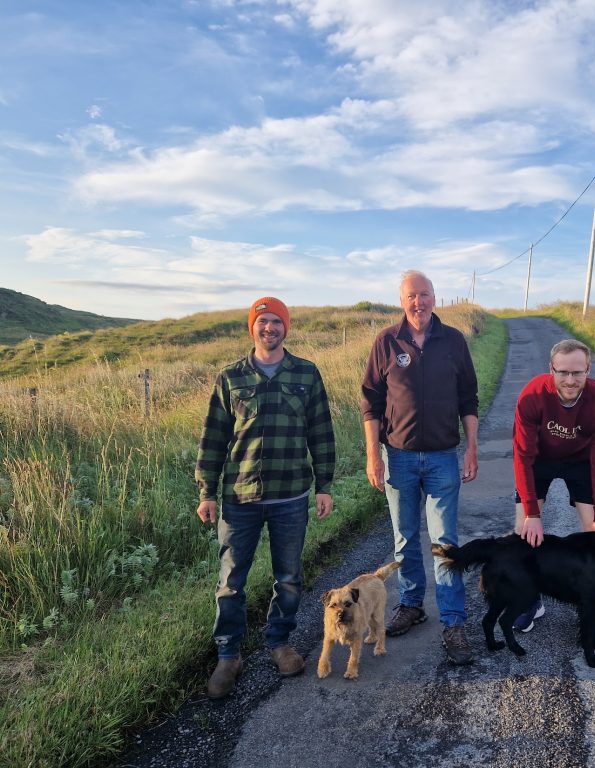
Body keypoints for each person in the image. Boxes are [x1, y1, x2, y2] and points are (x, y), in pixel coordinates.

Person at [196, 296, 336, 698]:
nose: (269, 328)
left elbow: (321, 433)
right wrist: (207, 492)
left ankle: (279, 643)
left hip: (290, 496)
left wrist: (324, 485)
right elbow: (213, 440)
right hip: (239, 498)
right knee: (230, 582)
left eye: (276, 321)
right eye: (262, 322)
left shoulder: (306, 374)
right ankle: (229, 655)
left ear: (286, 327)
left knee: (289, 578)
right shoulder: (230, 377)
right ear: (252, 327)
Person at [361, 270, 479, 666]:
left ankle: (454, 621)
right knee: (405, 537)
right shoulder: (386, 342)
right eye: (412, 296)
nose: (419, 302)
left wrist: (472, 448)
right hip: (399, 456)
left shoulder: (454, 341)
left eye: (425, 295)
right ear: (402, 301)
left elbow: (469, 398)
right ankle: (412, 605)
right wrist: (372, 455)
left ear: (434, 298)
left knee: (445, 541)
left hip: (445, 456)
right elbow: (371, 403)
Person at [511, 339, 595, 643]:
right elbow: (522, 457)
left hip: (582, 461)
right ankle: (531, 598)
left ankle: (592, 607)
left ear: (588, 370)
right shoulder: (532, 395)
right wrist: (532, 513)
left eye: (577, 373)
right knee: (523, 529)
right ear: (551, 370)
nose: (570, 380)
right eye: (562, 372)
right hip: (540, 460)